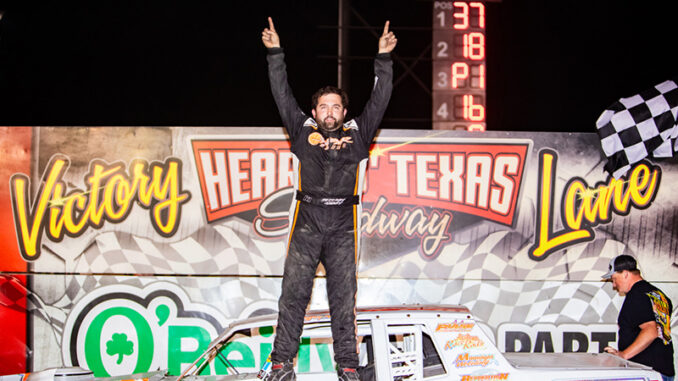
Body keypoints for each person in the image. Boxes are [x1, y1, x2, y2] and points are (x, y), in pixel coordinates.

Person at [261, 16, 397, 381]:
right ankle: (280, 365)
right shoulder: (300, 128)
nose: (330, 112)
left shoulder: (360, 132)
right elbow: (281, 92)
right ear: (315, 110)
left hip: (343, 226)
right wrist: (275, 52)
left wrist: (382, 59)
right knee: (293, 296)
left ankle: (348, 368)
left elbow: (380, 98)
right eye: (324, 106)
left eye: (336, 107)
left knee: (343, 302)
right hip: (306, 222)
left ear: (344, 113)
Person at [602, 254, 675, 381]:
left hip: (646, 373)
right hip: (663, 371)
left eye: (614, 279)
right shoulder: (658, 294)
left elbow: (650, 331)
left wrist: (623, 355)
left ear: (625, 274)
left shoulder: (636, 295)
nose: (614, 285)